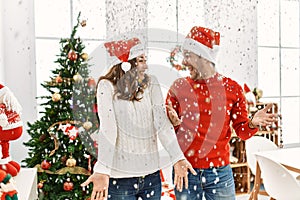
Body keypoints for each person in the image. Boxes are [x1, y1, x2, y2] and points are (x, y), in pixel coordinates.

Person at [165, 26, 278, 200]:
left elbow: (242, 132)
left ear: (203, 57)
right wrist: (173, 126)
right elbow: (166, 134)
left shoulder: (232, 89)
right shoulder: (178, 88)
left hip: (220, 173)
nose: (184, 62)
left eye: (188, 56)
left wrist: (252, 123)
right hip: (186, 169)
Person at [81, 37, 196, 200]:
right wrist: (103, 169)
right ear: (127, 63)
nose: (146, 65)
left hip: (151, 177)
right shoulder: (106, 86)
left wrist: (177, 157)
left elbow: (162, 125)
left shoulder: (152, 83)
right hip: (120, 180)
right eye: (141, 60)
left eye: (145, 60)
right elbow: (108, 130)